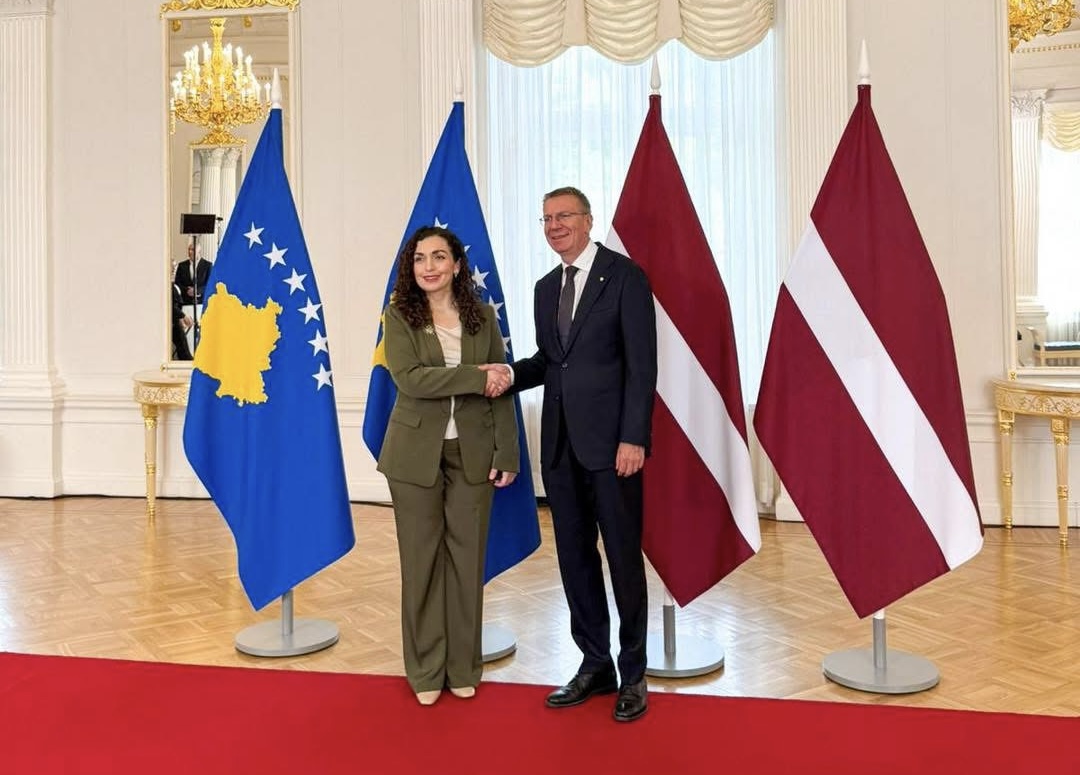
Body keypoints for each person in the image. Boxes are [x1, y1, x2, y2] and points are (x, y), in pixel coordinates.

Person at [489, 186, 657, 722]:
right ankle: (595, 664)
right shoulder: (545, 288)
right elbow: (551, 361)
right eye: (546, 219)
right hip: (560, 448)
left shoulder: (625, 277)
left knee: (624, 562)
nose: (554, 226)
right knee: (575, 560)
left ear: (588, 220)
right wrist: (509, 374)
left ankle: (634, 673)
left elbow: (642, 366)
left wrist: (634, 438)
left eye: (564, 216)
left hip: (613, 449)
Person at [376, 224, 519, 707]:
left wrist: (507, 451)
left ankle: (462, 666)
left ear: (457, 265)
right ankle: (424, 670)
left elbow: (502, 386)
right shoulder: (399, 316)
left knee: (466, 562)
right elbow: (412, 380)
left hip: (473, 453)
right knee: (421, 564)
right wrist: (476, 377)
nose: (429, 267)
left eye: (439, 257)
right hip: (413, 456)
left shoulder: (483, 316)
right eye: (420, 258)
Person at [174, 241, 211, 306]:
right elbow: (177, 283)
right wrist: (187, 290)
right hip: (185, 303)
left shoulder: (208, 265)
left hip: (201, 303)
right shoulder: (182, 265)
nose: (190, 252)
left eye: (193, 250)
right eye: (189, 249)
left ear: (199, 251)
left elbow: (210, 284)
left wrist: (197, 291)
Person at [171, 283, 193, 361]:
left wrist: (180, 318)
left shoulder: (175, 286)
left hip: (175, 320)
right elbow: (171, 305)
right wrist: (183, 316)